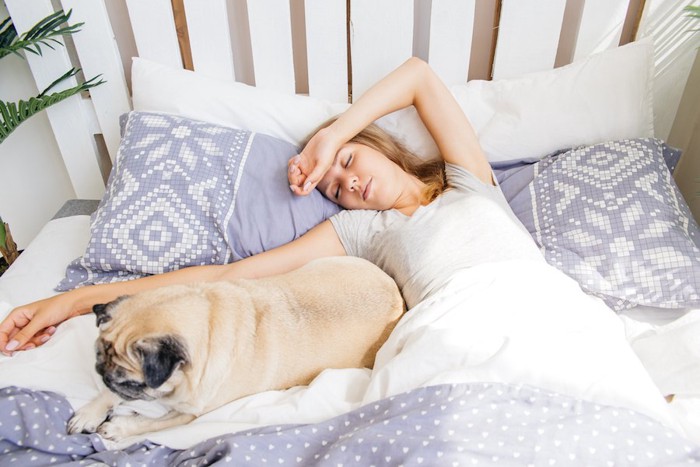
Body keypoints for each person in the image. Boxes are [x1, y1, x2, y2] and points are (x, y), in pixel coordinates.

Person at [0, 57, 542, 356]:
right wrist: (76, 301)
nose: (347, 183)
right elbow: (228, 274)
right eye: (332, 188)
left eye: (350, 162)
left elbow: (420, 76)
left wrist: (331, 140)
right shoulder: (359, 230)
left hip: (537, 306)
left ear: (374, 144)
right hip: (456, 330)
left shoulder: (467, 182)